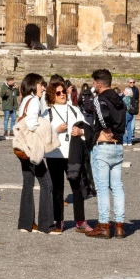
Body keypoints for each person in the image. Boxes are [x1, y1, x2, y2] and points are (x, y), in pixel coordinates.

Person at [84, 68, 128, 239]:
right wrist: (117, 132)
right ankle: (119, 225)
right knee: (117, 187)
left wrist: (106, 128)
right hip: (118, 146)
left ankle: (103, 225)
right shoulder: (120, 100)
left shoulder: (99, 99)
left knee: (102, 188)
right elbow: (123, 118)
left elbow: (103, 114)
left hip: (103, 146)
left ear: (99, 84)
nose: (93, 85)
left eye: (94, 83)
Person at [43, 78, 89, 233]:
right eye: (58, 93)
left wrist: (80, 131)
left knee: (77, 187)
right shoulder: (47, 113)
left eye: (63, 91)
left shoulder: (75, 110)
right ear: (52, 95)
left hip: (72, 154)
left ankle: (80, 221)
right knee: (57, 189)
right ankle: (58, 221)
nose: (62, 94)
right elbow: (42, 135)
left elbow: (86, 128)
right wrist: (56, 130)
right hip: (54, 155)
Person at [14, 73, 53, 233]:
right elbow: (31, 124)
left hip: (22, 147)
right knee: (46, 183)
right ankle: (46, 224)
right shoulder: (34, 100)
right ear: (33, 85)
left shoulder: (25, 100)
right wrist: (45, 132)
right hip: (32, 148)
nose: (43, 88)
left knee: (28, 184)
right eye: (41, 85)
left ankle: (26, 223)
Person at [123, 78, 139, 145]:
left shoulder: (125, 98)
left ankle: (124, 141)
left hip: (126, 113)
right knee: (129, 127)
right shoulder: (131, 98)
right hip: (131, 113)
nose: (123, 91)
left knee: (124, 127)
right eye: (130, 82)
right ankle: (130, 141)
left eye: (133, 82)